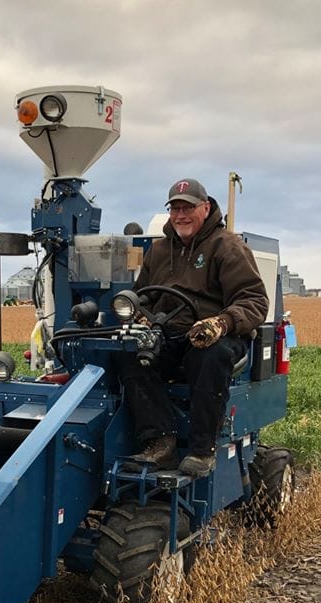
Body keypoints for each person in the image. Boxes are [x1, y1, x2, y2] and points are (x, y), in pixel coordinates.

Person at [121, 178, 269, 476]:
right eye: (175, 209)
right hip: (171, 332)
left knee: (210, 356)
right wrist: (140, 314)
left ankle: (202, 451)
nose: (181, 215)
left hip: (219, 334)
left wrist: (221, 322)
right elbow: (143, 295)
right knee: (128, 353)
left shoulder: (227, 247)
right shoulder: (159, 251)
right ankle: (160, 443)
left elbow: (254, 300)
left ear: (206, 208)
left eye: (188, 208)